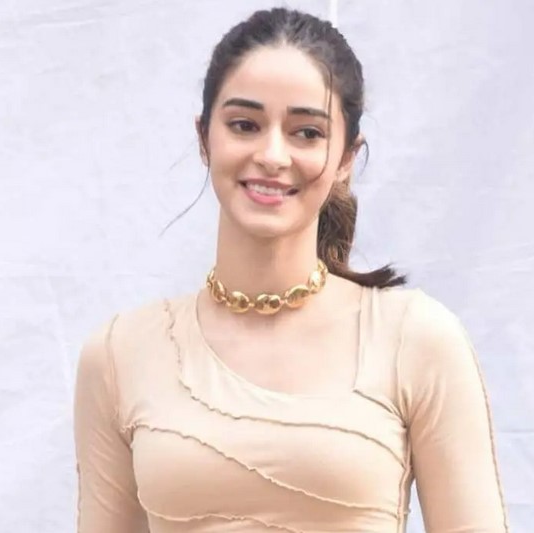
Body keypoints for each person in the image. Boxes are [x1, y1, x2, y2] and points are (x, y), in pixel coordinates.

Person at [73, 7, 509, 533]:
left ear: (346, 158)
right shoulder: (121, 353)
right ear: (204, 138)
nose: (273, 155)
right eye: (244, 125)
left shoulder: (415, 338)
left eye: (306, 132)